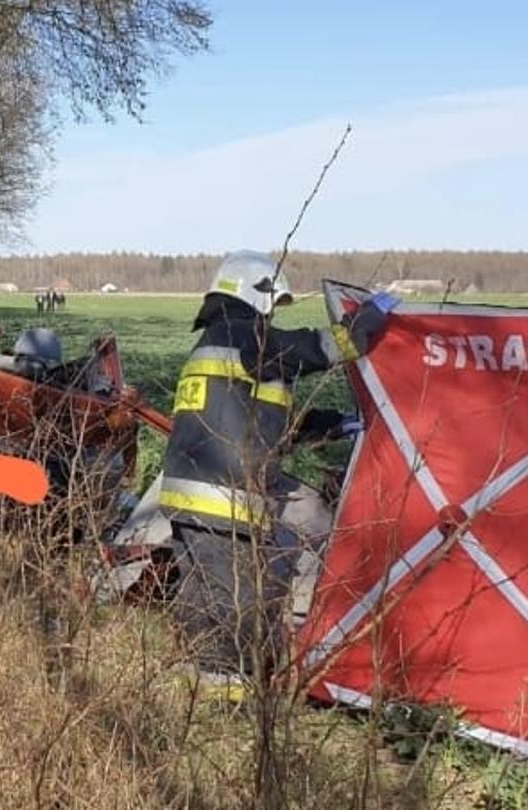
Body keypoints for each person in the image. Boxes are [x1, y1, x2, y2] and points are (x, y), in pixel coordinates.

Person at [157, 250, 397, 680]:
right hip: (223, 497)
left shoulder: (221, 339)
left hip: (186, 494)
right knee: (236, 605)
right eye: (275, 304)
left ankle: (197, 687)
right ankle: (228, 704)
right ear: (256, 292)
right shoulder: (244, 335)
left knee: (202, 598)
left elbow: (263, 427)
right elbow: (322, 348)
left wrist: (334, 424)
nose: (274, 317)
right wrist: (367, 321)